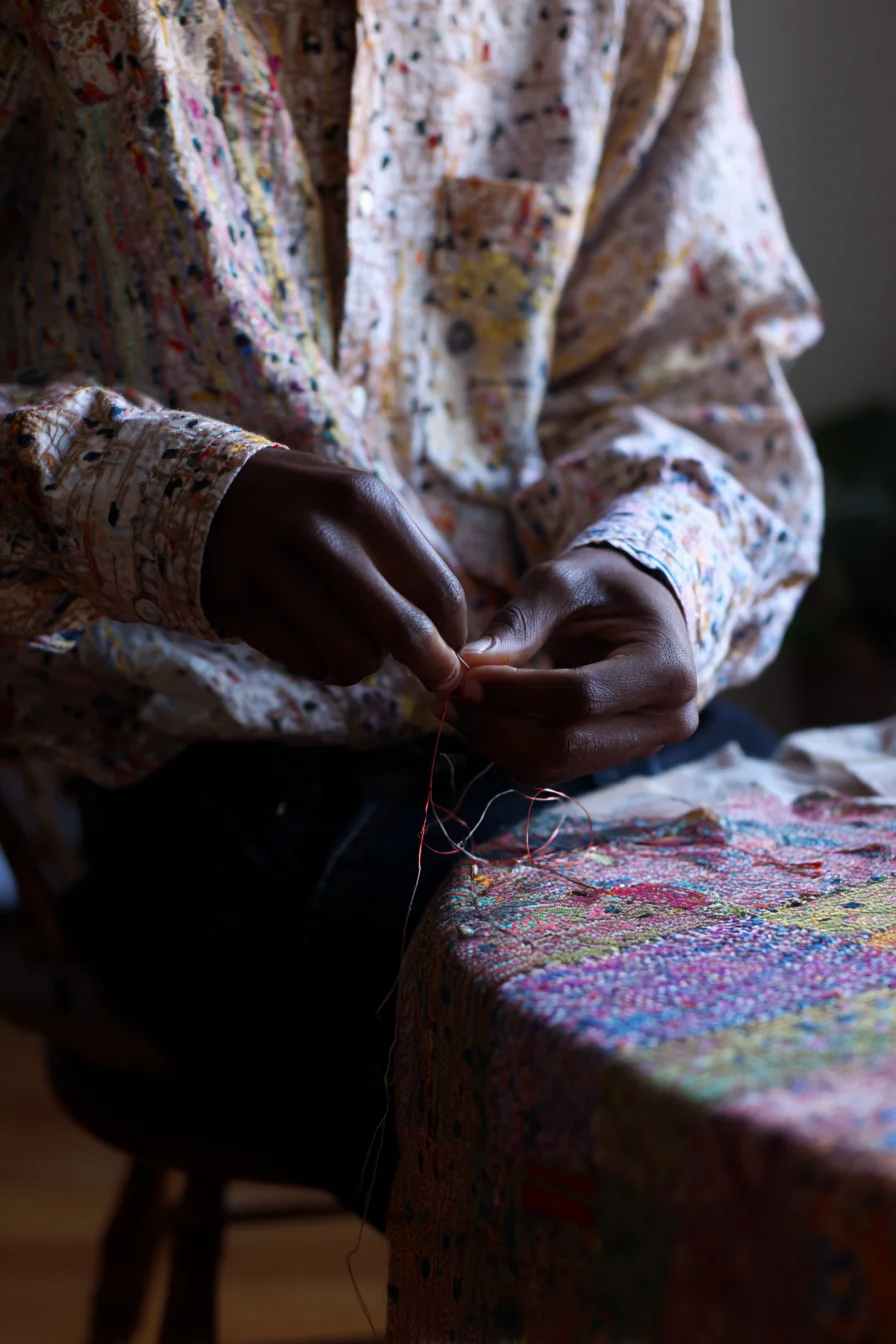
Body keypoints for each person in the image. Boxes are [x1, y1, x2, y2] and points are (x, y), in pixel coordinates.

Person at [0, 0, 821, 1223]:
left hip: (584, 750)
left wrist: (658, 563)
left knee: (843, 1040)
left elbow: (697, 377)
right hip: (172, 780)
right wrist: (153, 502)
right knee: (674, 1168)